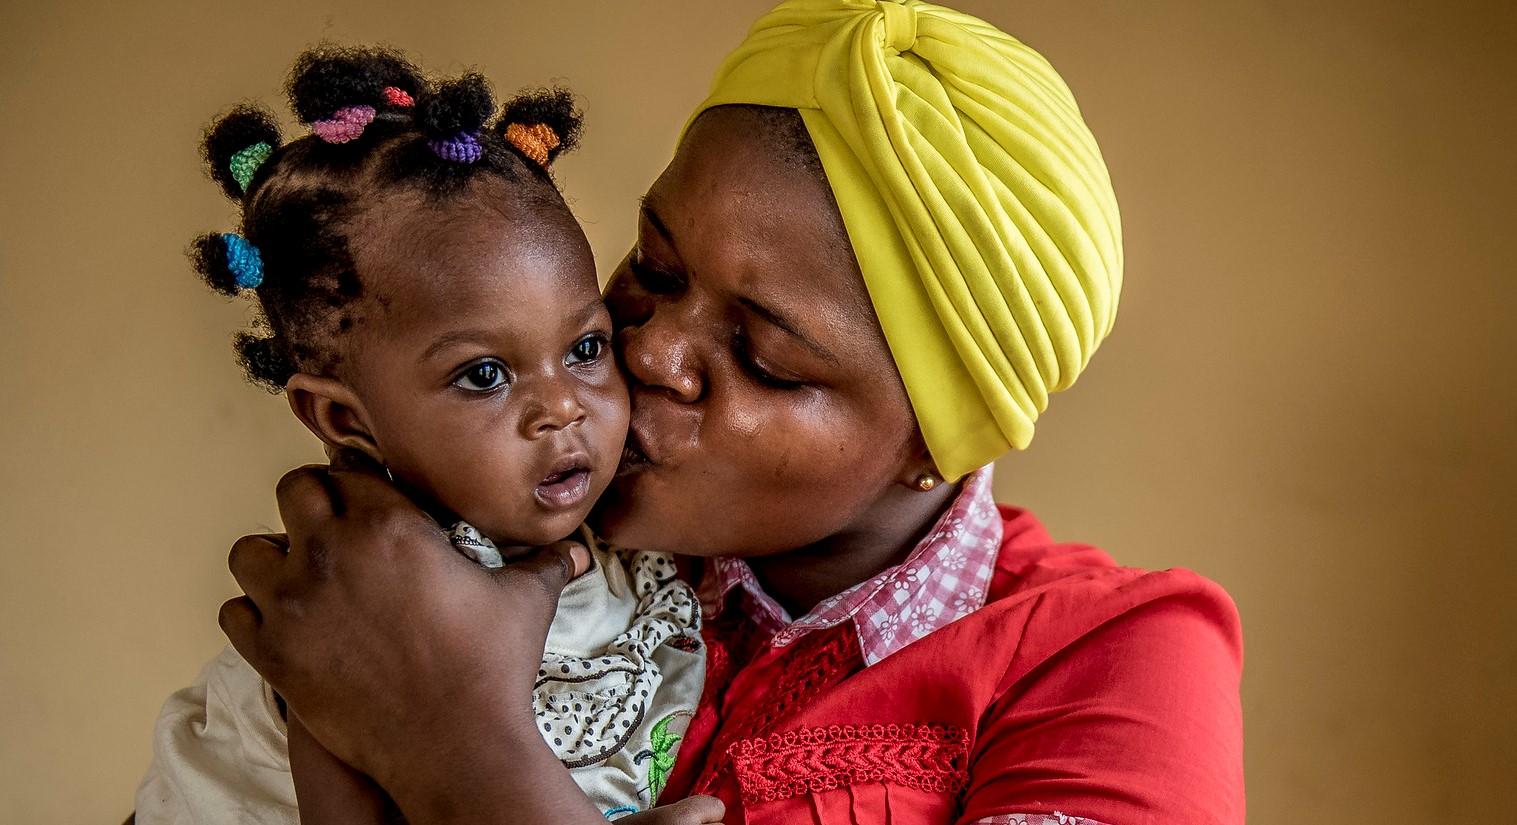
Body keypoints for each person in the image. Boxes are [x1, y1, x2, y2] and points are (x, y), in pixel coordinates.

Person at [216, 2, 1245, 823]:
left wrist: (454, 745)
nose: (648, 350)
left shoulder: (1113, 661)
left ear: (930, 442)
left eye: (761, 356)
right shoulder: (464, 542)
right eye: (654, 267)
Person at [135, 46, 716, 825]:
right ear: (345, 420)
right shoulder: (361, 613)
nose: (562, 409)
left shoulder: (642, 551)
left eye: (584, 349)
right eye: (484, 375)